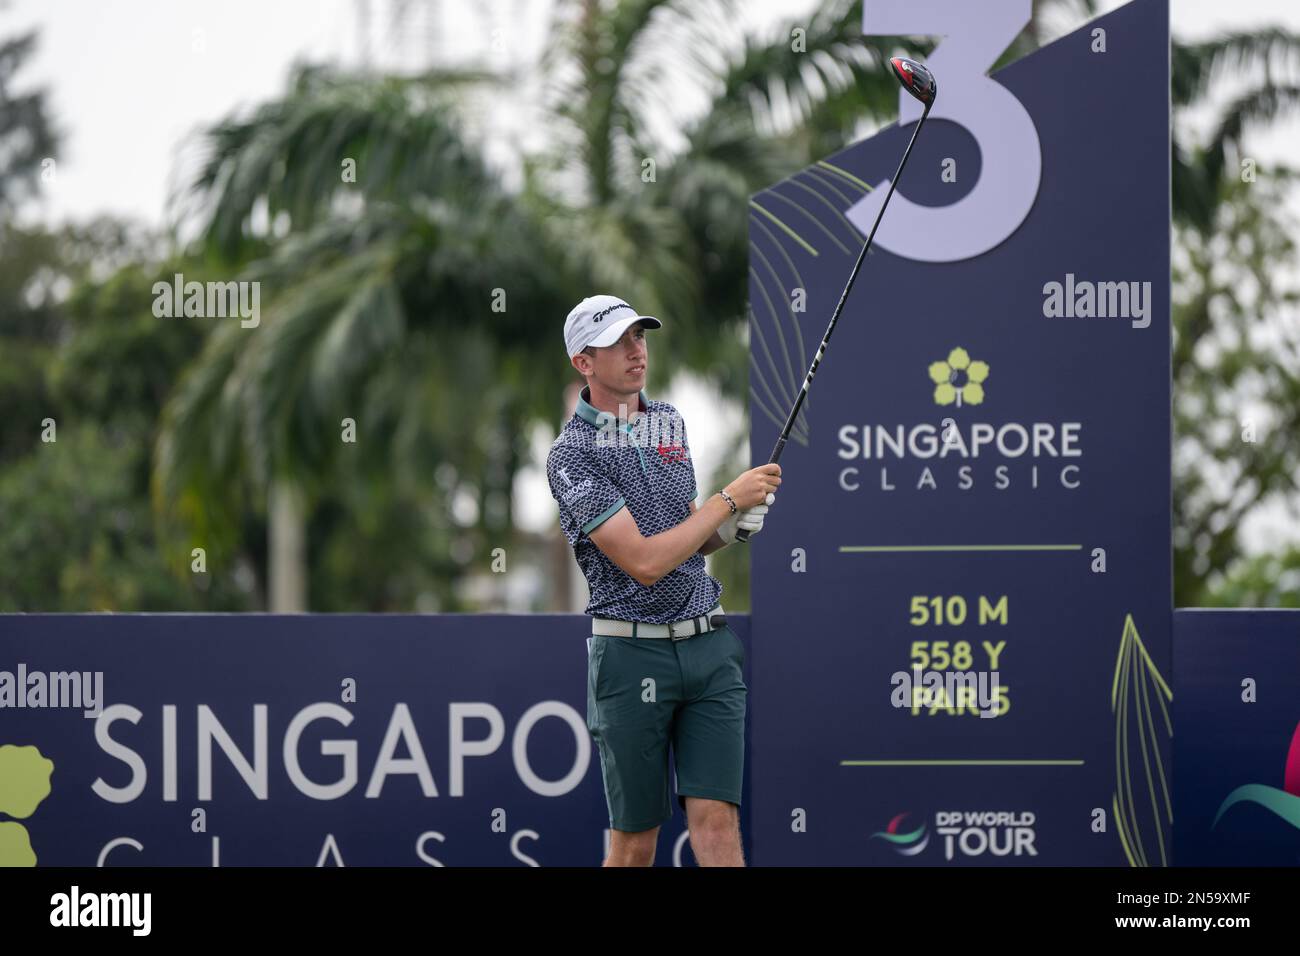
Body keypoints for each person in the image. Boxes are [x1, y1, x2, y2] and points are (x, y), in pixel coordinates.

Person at [545, 294, 781, 867]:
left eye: (640, 337)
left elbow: (685, 537)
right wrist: (728, 500)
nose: (636, 351)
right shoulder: (570, 456)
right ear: (583, 362)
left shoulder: (668, 421)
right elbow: (645, 563)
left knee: (718, 825)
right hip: (630, 657)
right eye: (619, 342)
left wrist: (730, 529)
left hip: (708, 647)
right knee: (635, 844)